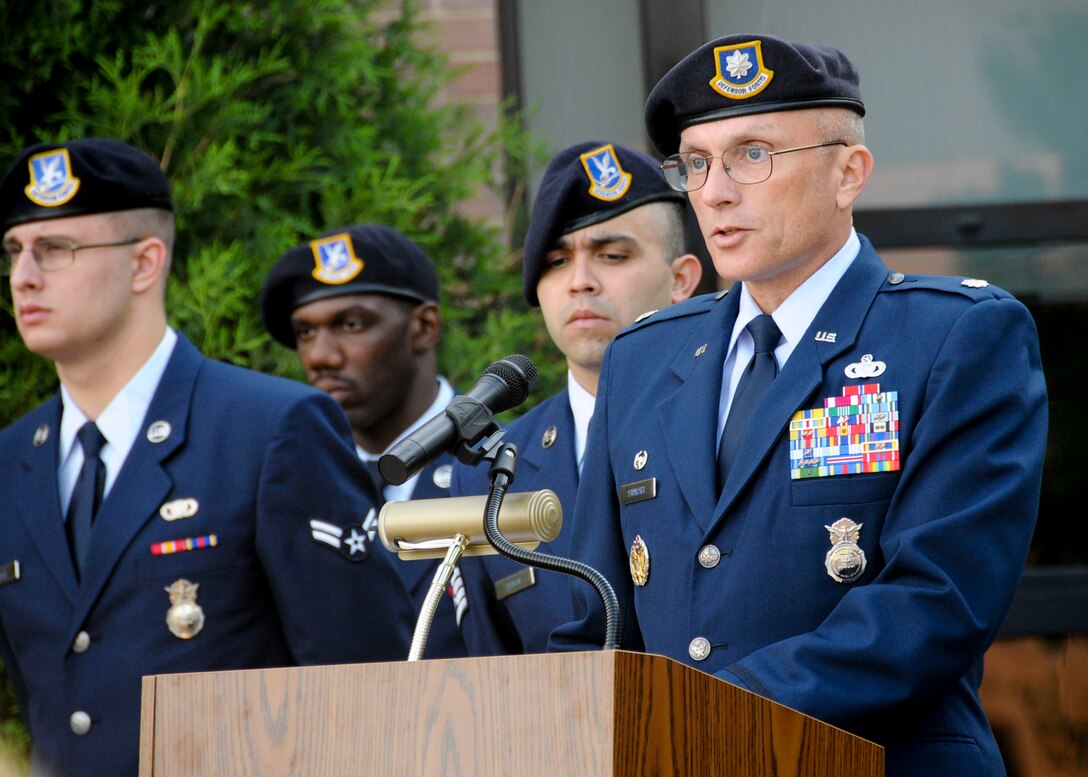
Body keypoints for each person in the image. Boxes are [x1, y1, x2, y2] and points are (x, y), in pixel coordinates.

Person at [548, 35, 1047, 777]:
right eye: (696, 162)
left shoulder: (955, 334)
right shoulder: (644, 357)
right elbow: (595, 614)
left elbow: (936, 601)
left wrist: (704, 711)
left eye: (753, 154)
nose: (715, 191)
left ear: (849, 173)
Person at [0, 139, 414, 777]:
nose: (24, 276)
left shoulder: (268, 429)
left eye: (57, 250)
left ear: (144, 263)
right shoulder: (11, 463)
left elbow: (364, 689)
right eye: (15, 252)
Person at [450, 141, 702, 655]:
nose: (580, 282)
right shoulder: (493, 469)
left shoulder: (731, 424)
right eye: (556, 261)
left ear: (682, 280)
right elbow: (488, 674)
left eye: (612, 255)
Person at [261, 224, 470, 658]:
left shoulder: (503, 467)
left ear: (424, 327)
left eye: (352, 324)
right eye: (305, 332)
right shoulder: (286, 486)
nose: (321, 356)